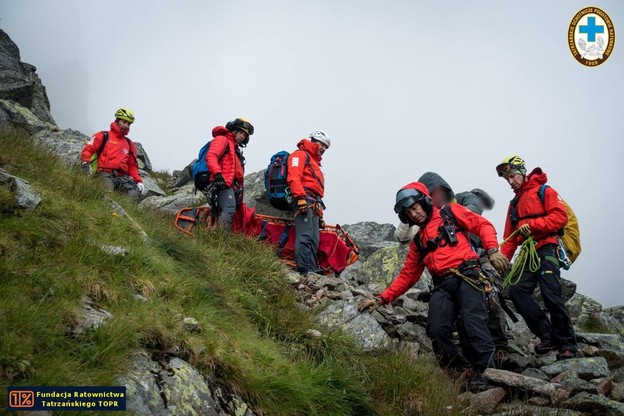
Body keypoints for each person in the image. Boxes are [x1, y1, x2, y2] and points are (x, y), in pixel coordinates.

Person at [360, 182, 510, 378]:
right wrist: (381, 299)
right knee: (435, 328)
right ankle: (462, 375)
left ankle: (488, 376)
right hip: (443, 286)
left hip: (469, 276)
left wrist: (492, 250)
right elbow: (407, 276)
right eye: (409, 213)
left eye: (415, 208)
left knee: (472, 322)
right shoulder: (418, 242)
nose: (414, 214)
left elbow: (482, 225)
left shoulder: (450, 212)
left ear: (425, 202)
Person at [496, 155, 578, 360]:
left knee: (551, 293)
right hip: (529, 253)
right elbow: (510, 239)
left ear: (523, 172)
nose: (511, 181)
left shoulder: (545, 191)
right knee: (516, 291)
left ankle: (567, 342)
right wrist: (500, 263)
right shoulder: (514, 204)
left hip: (548, 248)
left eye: (513, 176)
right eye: (507, 179)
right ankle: (548, 336)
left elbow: (560, 218)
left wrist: (532, 226)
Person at [286, 130, 329, 275]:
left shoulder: (315, 163)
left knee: (314, 239)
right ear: (313, 141)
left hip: (313, 203)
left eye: (325, 147)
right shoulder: (300, 155)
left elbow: (317, 193)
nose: (323, 148)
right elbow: (293, 176)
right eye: (321, 144)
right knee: (305, 235)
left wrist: (320, 215)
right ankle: (304, 269)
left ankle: (313, 270)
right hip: (303, 199)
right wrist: (299, 198)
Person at [80, 108, 146, 198]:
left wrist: (138, 181)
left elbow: (132, 166)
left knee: (134, 195)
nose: (126, 125)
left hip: (123, 178)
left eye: (129, 124)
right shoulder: (103, 136)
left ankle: (121, 211)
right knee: (107, 195)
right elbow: (88, 149)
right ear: (117, 120)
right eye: (124, 122)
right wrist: (85, 163)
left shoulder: (129, 144)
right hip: (104, 174)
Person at [207, 117, 254, 230]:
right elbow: (211, 156)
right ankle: (220, 240)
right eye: (241, 132)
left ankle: (214, 233)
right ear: (234, 130)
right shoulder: (222, 140)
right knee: (229, 209)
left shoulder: (235, 149)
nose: (242, 136)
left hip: (231, 187)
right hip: (221, 183)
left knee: (229, 211)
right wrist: (218, 175)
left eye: (245, 135)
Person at [395, 172, 454, 243]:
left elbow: (470, 210)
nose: (435, 197)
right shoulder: (422, 220)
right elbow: (401, 237)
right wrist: (408, 214)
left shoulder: (460, 202)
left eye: (440, 191)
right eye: (430, 194)